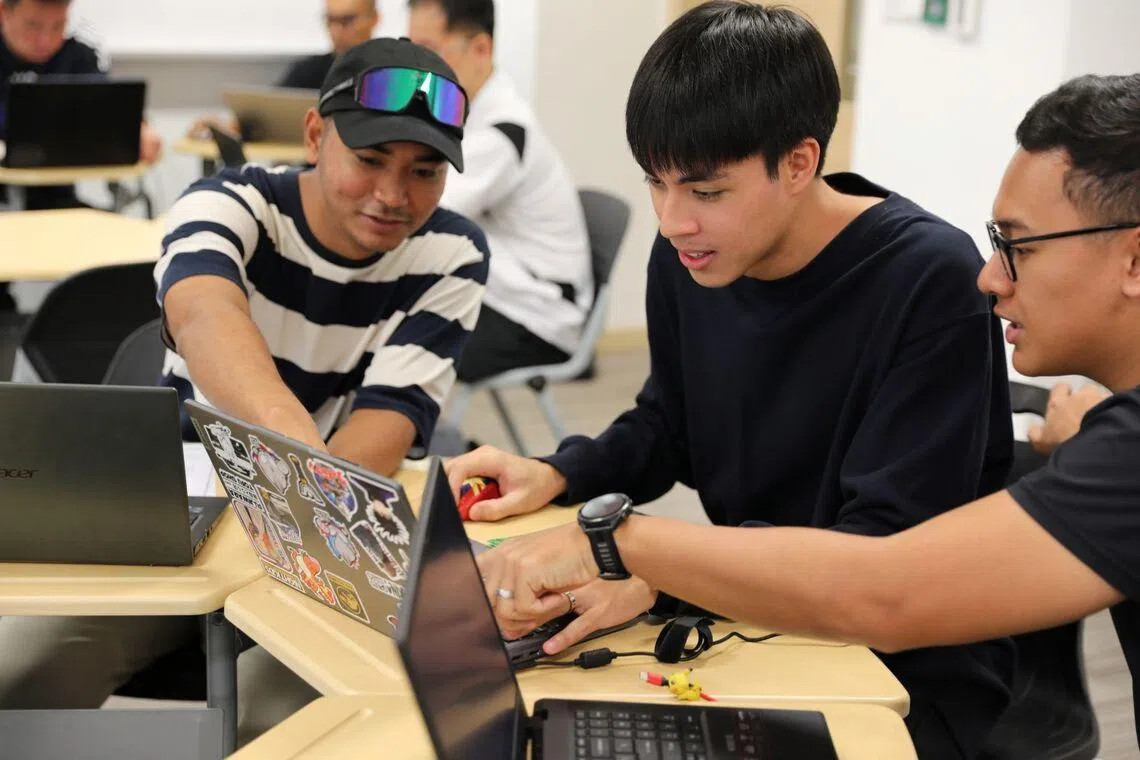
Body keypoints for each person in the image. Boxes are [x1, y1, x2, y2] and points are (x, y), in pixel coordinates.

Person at [471, 72, 1140, 752]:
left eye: (1018, 248)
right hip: (768, 618)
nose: (991, 277)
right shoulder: (690, 257)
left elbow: (884, 586)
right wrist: (560, 474)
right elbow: (669, 422)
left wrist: (627, 550)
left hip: (893, 664)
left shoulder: (925, 277)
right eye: (657, 183)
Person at [0, 37, 489, 744]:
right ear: (316, 135)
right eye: (370, 160)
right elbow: (204, 313)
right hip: (176, 518)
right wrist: (297, 473)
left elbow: (391, 419)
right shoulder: (229, 202)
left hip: (320, 532)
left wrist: (299, 508)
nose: (394, 195)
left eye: (425, 171)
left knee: (286, 727)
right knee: (17, 677)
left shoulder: (452, 252)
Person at [409, 0, 592, 382]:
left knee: (391, 333)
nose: (417, 71)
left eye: (428, 52)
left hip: (534, 319)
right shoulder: (464, 115)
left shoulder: (502, 132)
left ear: (480, 49)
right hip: (504, 294)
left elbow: (421, 214)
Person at [0, 0, 162, 308]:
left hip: (55, 203)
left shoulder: (79, 53)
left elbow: (112, 112)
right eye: (33, 26)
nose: (45, 40)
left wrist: (139, 131)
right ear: (3, 12)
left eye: (57, 26)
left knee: (115, 263)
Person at [187, 0, 379, 140]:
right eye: (330, 20)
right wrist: (226, 127)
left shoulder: (392, 71)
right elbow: (269, 114)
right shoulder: (309, 70)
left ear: (374, 19)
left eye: (347, 20)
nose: (336, 30)